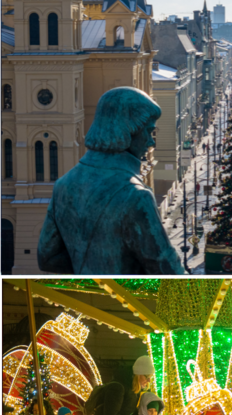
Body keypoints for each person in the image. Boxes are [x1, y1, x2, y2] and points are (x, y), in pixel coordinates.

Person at [37, 87, 185, 275]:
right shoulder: (136, 196)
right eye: (148, 132)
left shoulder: (63, 184)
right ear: (127, 131)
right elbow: (169, 272)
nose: (150, 142)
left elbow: (46, 258)